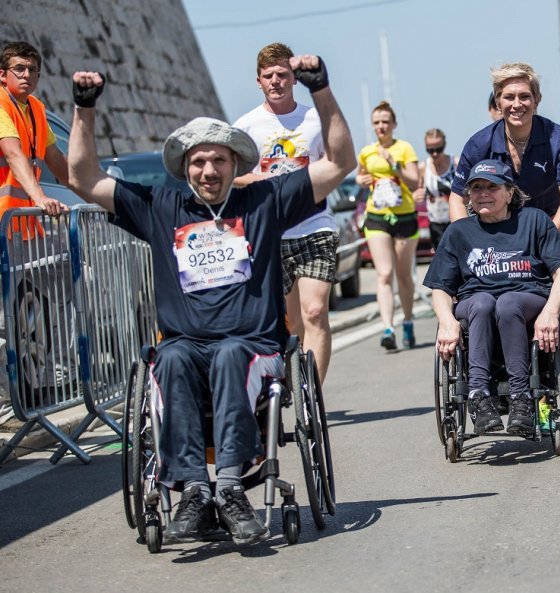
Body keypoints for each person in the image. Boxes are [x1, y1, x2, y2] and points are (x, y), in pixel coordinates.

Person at [67, 56, 355, 544]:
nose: (208, 169)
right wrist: (84, 108)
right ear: (184, 167)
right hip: (185, 341)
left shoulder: (263, 201)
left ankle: (230, 487)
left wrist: (321, 89)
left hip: (253, 344)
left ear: (236, 164)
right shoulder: (162, 207)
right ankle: (194, 491)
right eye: (199, 161)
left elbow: (339, 162)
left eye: (219, 160)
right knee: (172, 358)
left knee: (228, 356)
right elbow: (83, 178)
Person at [426, 160, 560, 435]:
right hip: (476, 304)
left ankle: (521, 398)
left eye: (491, 187)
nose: (483, 193)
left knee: (508, 302)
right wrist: (446, 321)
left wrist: (552, 312)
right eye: (476, 187)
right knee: (483, 303)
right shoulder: (458, 232)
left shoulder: (535, 220)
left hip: (528, 300)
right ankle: (478, 396)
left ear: (510, 192)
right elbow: (440, 288)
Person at [232, 42, 339, 383]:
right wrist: (259, 179)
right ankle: (291, 380)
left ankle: (314, 399)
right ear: (258, 81)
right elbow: (230, 176)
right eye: (268, 76)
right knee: (288, 322)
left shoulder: (314, 120)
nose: (276, 81)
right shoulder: (245, 126)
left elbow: (335, 165)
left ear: (294, 78)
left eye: (282, 74)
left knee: (315, 311)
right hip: (269, 232)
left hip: (314, 227)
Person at [449, 63, 560, 234]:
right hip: (495, 232)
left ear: (537, 100)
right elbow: (457, 199)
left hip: (550, 227)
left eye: (524, 96)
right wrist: (468, 239)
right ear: (498, 102)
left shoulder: (558, 138)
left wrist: (547, 238)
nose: (517, 104)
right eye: (509, 97)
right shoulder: (478, 145)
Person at [355, 101, 420, 351]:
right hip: (377, 216)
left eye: (385, 122)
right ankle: (387, 328)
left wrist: (395, 165)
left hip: (404, 216)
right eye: (377, 123)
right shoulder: (367, 151)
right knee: (384, 274)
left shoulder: (404, 149)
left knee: (403, 275)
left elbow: (414, 183)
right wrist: (361, 179)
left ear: (393, 124)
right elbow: (361, 175)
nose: (381, 127)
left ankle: (408, 320)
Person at [0, 41, 68, 224]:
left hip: (24, 223)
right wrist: (41, 198)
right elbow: (13, 154)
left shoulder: (37, 110)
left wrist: (96, 193)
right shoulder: (1, 104)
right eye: (19, 68)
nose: (27, 75)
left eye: (32, 70)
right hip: (4, 221)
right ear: (3, 75)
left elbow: (57, 162)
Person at [413, 128, 456, 251]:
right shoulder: (423, 167)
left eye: (438, 149)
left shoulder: (456, 163)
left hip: (455, 221)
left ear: (444, 145)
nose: (435, 154)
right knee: (442, 260)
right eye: (430, 150)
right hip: (435, 224)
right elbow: (414, 191)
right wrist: (415, 196)